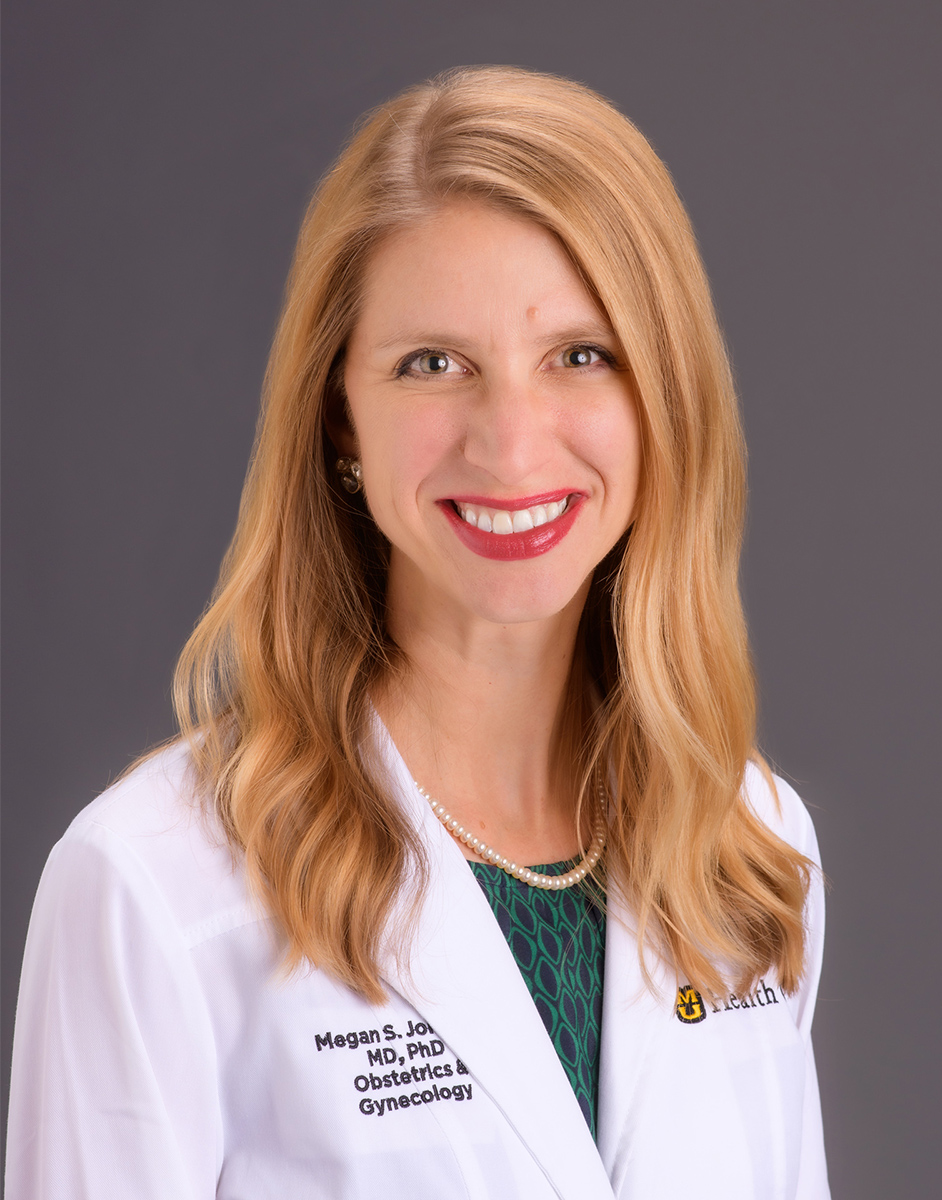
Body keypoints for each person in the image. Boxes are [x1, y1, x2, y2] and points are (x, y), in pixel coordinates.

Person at [6, 66, 830, 1198]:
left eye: (579, 355)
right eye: (432, 365)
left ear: (665, 401)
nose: (511, 445)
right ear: (340, 417)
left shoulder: (749, 847)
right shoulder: (150, 888)